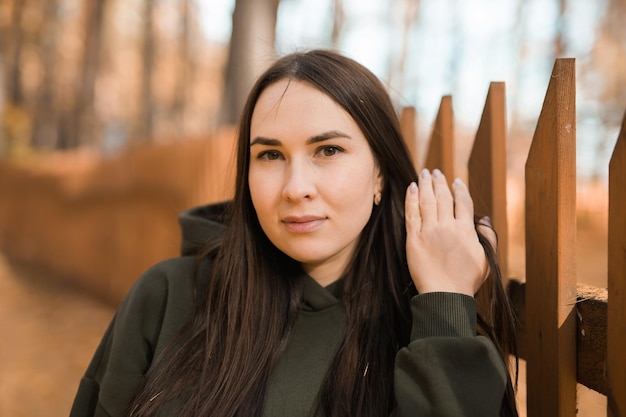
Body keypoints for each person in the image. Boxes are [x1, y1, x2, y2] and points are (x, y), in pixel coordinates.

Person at [70, 49, 518, 417]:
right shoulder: (167, 297)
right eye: (270, 155)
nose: (296, 188)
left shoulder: (429, 327)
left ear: (380, 173)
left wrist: (444, 304)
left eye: (328, 149)